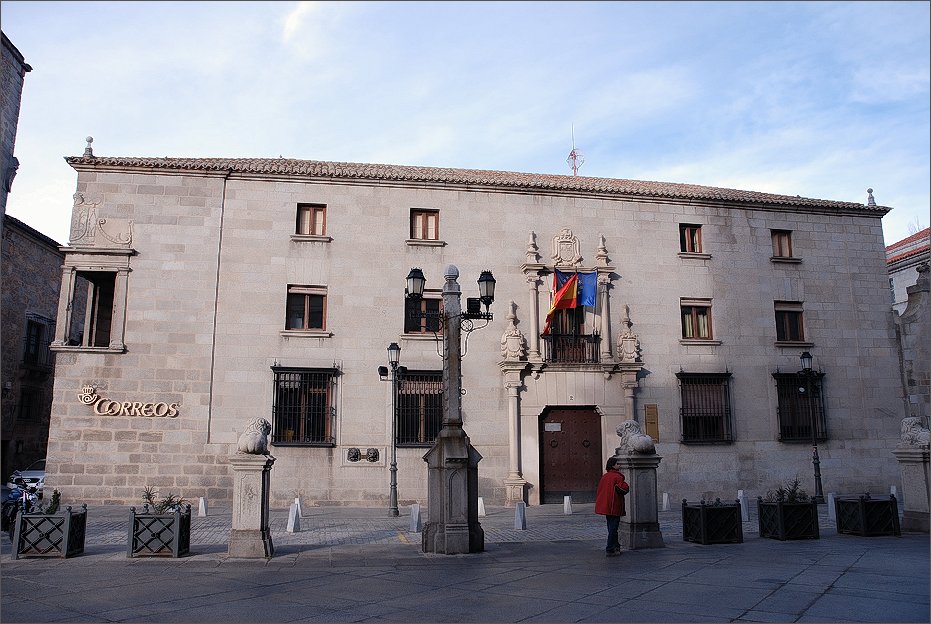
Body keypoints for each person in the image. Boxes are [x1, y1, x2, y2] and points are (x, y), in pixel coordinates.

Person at [595, 456, 629, 556]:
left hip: (606, 506)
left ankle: (616, 546)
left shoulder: (605, 476)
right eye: (618, 464)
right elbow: (623, 489)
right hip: (614, 505)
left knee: (611, 527)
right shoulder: (617, 477)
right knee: (613, 528)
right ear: (613, 465)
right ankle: (610, 548)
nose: (619, 465)